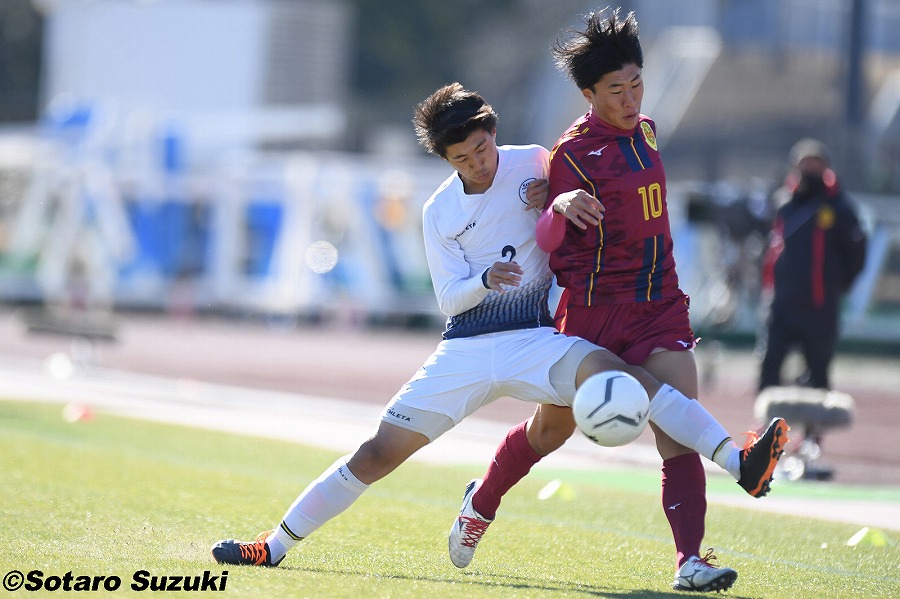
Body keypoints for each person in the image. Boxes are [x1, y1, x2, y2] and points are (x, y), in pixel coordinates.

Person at [211, 82, 786, 573]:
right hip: (465, 349)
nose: (479, 163)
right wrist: (485, 278)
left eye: (482, 149)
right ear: (447, 160)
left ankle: (740, 463)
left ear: (494, 135)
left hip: (534, 341)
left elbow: (568, 193)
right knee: (377, 452)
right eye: (463, 158)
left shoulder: (532, 160)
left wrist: (556, 199)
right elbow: (447, 298)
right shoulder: (438, 211)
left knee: (627, 380)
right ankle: (274, 546)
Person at [446, 10, 789, 594]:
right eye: (615, 90)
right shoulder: (573, 155)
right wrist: (557, 207)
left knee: (676, 429)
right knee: (548, 432)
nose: (630, 98)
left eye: (636, 84)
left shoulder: (649, 131)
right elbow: (549, 241)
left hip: (658, 305)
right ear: (588, 94)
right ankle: (481, 502)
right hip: (593, 314)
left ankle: (689, 561)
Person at [758, 139, 867, 391]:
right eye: (804, 165)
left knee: (818, 374)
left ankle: (813, 428)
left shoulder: (840, 207)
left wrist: (840, 284)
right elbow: (767, 245)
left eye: (815, 165)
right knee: (769, 366)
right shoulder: (782, 203)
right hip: (782, 302)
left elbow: (857, 250)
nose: (810, 171)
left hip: (820, 305)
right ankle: (767, 426)